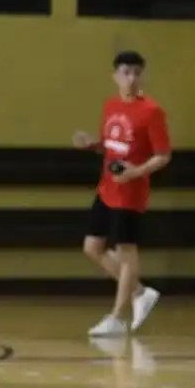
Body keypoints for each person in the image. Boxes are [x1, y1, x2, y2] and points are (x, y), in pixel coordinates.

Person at [73, 50, 169, 338]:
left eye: (137, 73)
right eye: (126, 72)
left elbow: (163, 155)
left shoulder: (152, 111)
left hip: (131, 192)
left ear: (143, 76)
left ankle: (117, 317)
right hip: (107, 188)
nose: (131, 78)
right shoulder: (111, 106)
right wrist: (93, 144)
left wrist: (135, 172)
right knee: (92, 247)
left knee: (127, 250)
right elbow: (111, 143)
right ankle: (140, 292)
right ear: (115, 75)